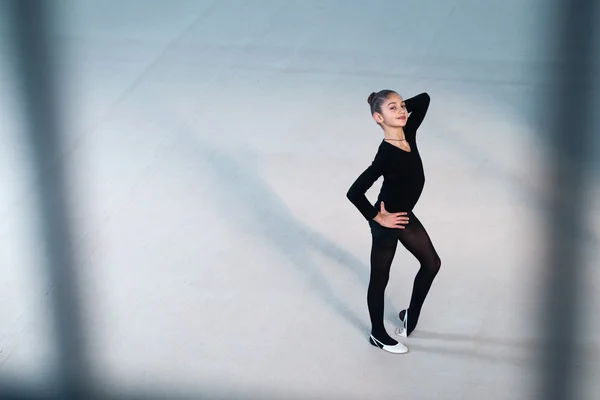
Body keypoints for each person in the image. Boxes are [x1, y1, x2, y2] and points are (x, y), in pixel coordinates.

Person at [346, 90, 441, 354]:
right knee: (380, 277)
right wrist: (378, 217)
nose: (401, 111)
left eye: (401, 106)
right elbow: (354, 192)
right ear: (378, 118)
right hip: (386, 221)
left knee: (432, 263)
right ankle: (377, 334)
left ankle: (410, 314)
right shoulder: (386, 153)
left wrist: (398, 109)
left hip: (404, 215)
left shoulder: (408, 131)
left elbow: (423, 99)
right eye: (392, 108)